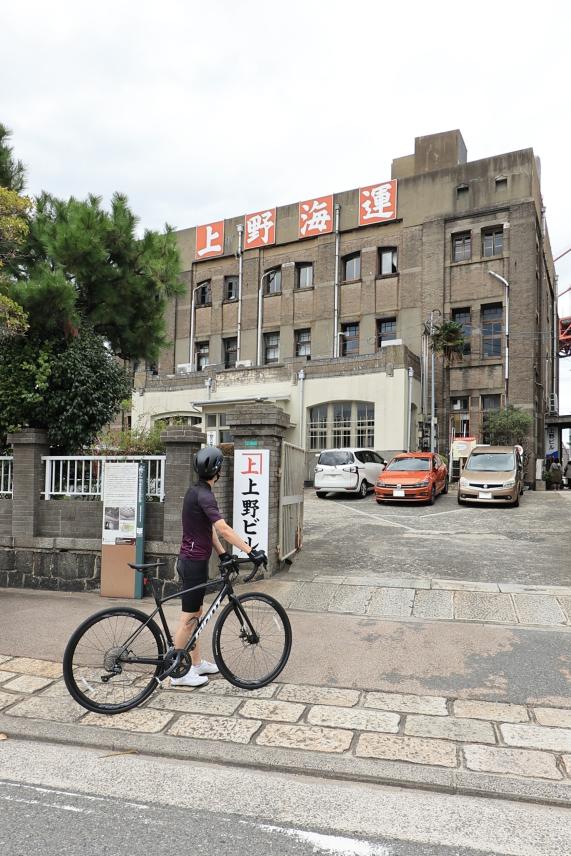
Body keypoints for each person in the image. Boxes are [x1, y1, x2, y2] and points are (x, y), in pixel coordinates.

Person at [171, 446, 267, 687]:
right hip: (193, 563)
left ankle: (195, 663)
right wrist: (250, 551)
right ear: (218, 471)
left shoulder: (195, 491)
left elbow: (209, 530)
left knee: (196, 615)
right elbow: (223, 528)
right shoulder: (205, 496)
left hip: (193, 561)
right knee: (188, 619)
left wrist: (223, 554)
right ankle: (177, 673)